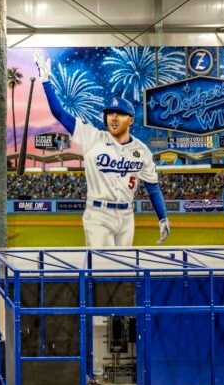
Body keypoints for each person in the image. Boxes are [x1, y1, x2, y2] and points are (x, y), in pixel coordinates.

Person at [35, 50, 170, 247]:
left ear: (130, 120)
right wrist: (46, 82)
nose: (113, 117)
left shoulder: (142, 151)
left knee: (121, 264)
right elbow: (60, 114)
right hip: (98, 215)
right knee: (102, 263)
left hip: (127, 216)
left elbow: (153, 188)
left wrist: (163, 218)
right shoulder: (92, 137)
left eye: (120, 114)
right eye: (110, 113)